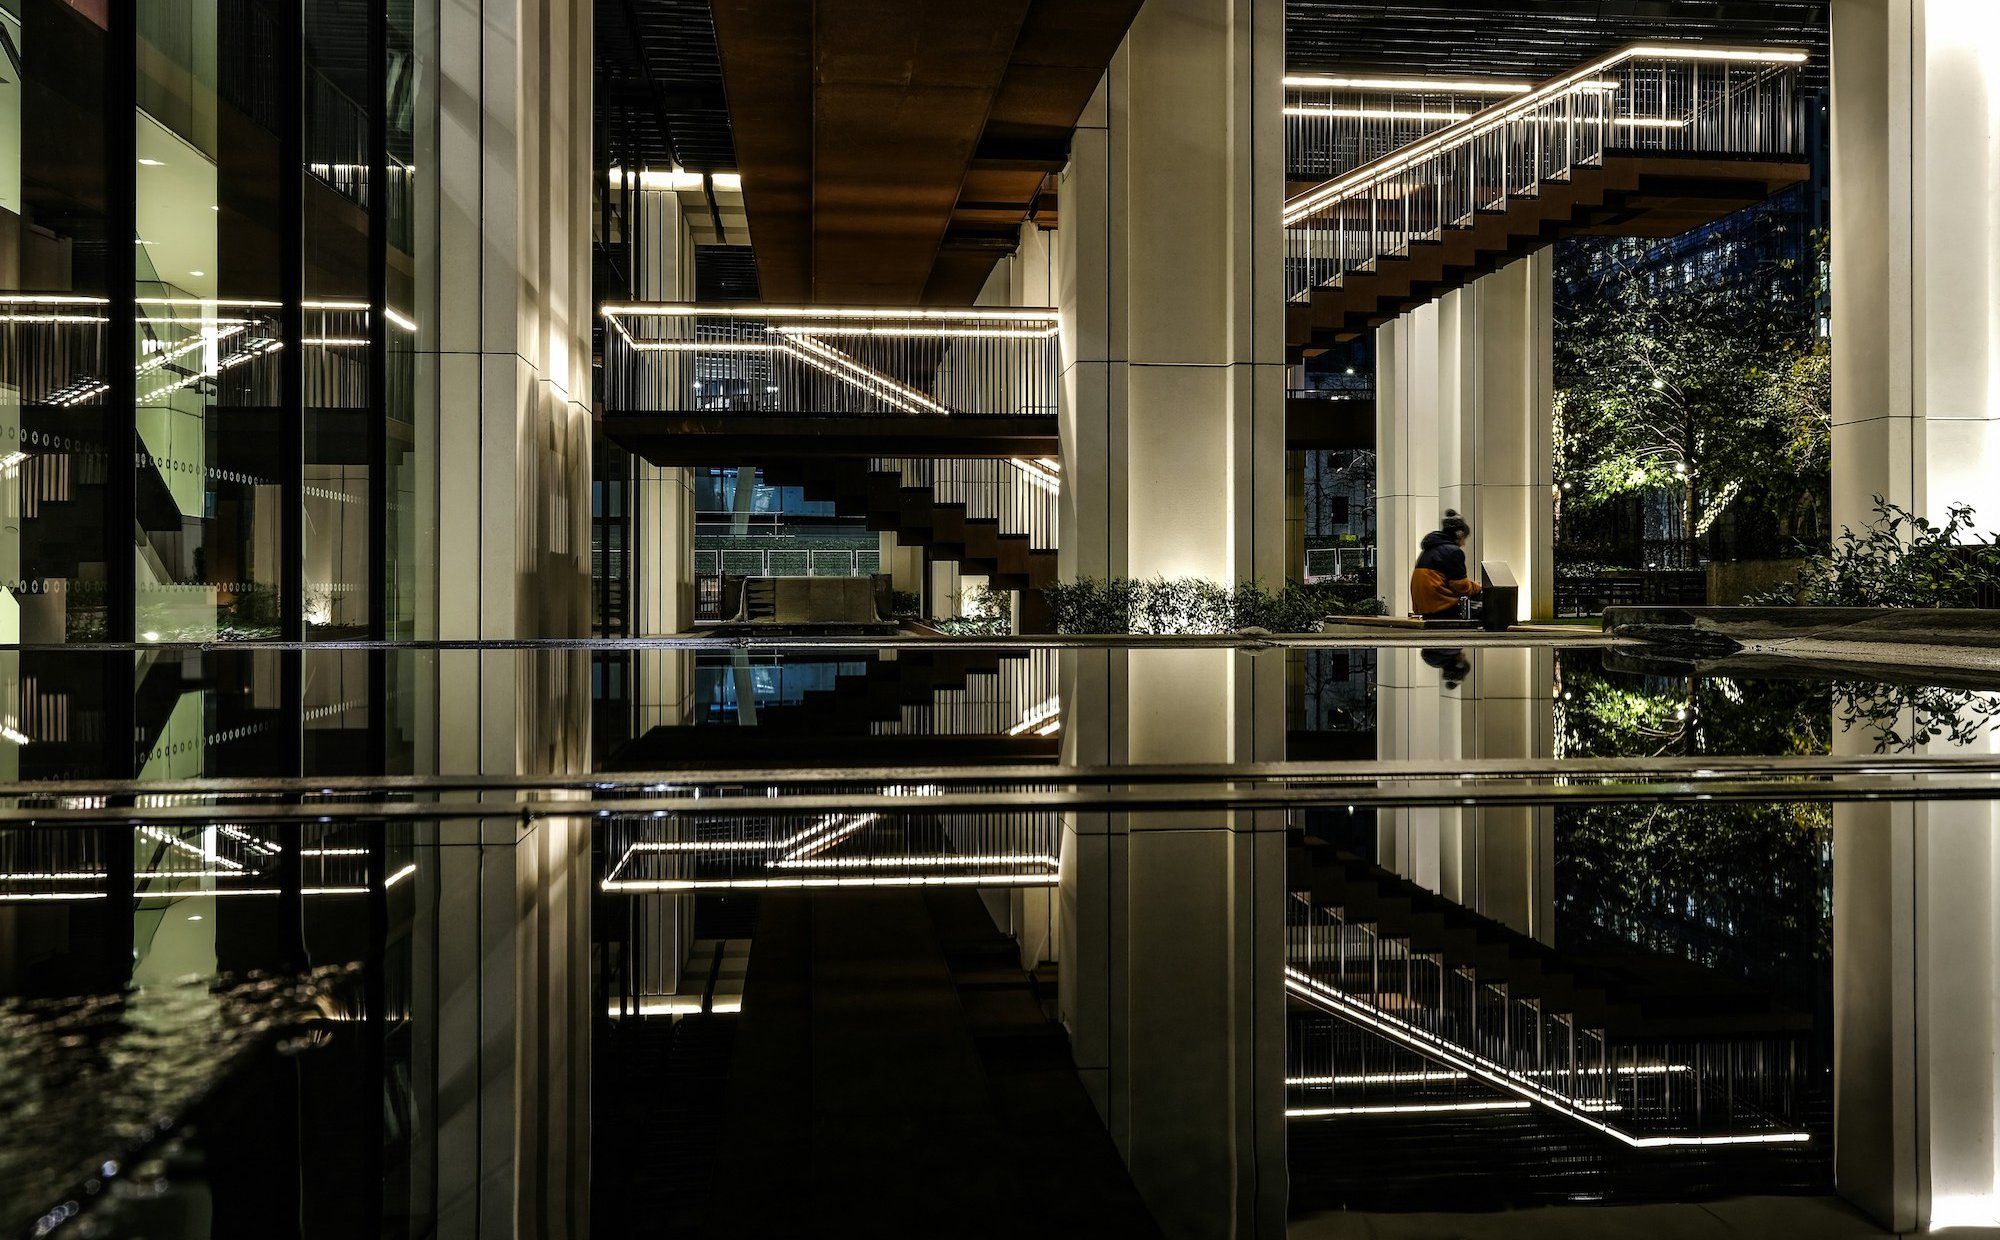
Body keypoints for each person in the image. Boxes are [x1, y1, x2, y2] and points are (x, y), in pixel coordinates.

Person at [1410, 510, 1482, 621]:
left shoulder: (1430, 549)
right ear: (1459, 535)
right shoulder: (1453, 551)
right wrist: (1477, 587)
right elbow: (1460, 586)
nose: (1464, 543)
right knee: (1486, 607)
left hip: (1423, 607)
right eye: (1464, 539)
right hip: (1442, 607)